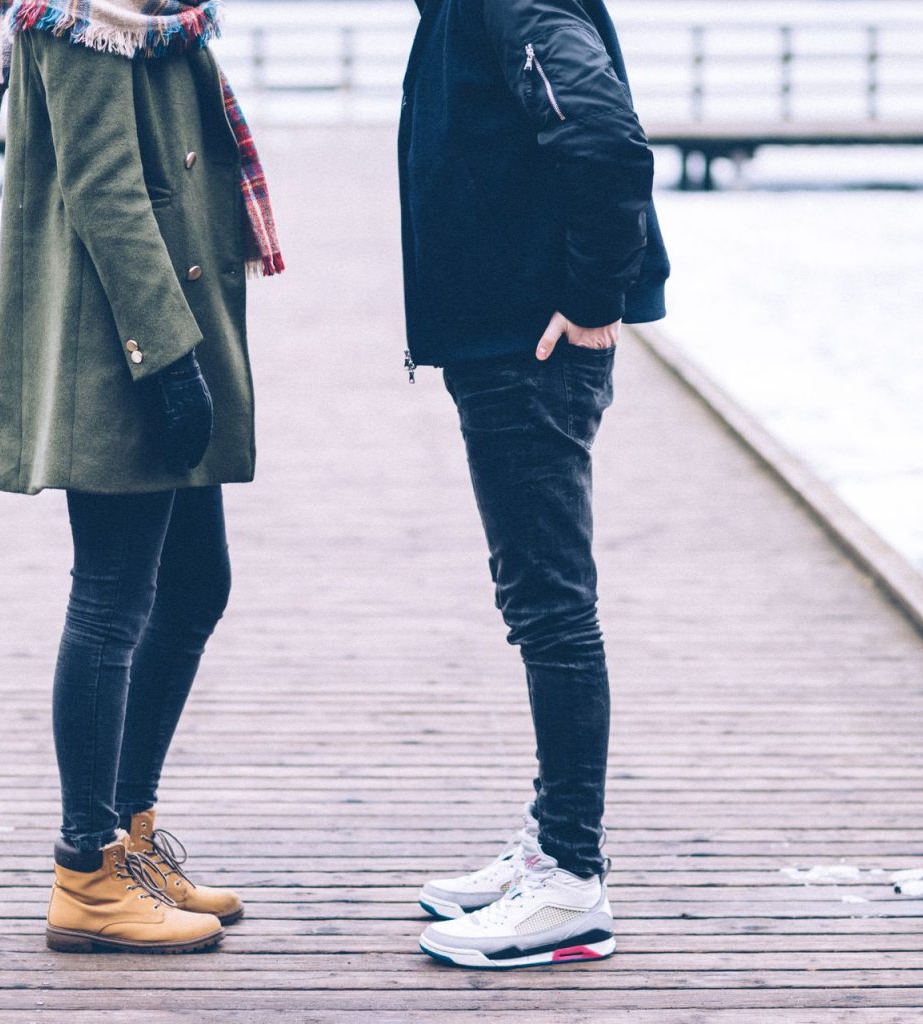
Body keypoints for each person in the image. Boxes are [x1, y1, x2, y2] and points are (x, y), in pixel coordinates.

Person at [0, 0, 284, 955]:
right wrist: (169, 359)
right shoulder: (84, 15)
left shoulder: (154, 15)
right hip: (123, 346)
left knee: (194, 585)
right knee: (112, 597)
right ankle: (86, 872)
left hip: (168, 329)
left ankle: (128, 836)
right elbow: (104, 185)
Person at [397, 0, 670, 969]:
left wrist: (595, 299)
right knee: (537, 600)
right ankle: (553, 843)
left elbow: (604, 138)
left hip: (531, 346)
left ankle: (570, 880)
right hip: (503, 338)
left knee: (551, 607)